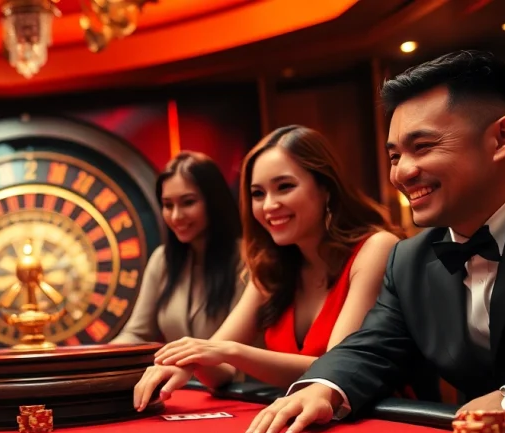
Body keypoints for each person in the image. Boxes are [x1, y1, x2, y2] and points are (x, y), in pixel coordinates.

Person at [245, 50, 505, 433]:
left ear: (502, 138)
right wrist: (322, 388)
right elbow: (372, 348)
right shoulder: (409, 258)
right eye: (395, 155)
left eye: (422, 147)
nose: (401, 173)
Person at [133, 126, 401, 410]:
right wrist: (186, 361)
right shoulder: (270, 266)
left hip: (382, 419)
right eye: (258, 194)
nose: (269, 205)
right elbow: (219, 370)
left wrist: (228, 351)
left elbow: (337, 370)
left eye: (285, 187)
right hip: (303, 420)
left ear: (326, 188)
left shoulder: (375, 249)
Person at [111, 152, 244, 344]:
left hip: (234, 373)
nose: (175, 216)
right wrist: (92, 362)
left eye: (188, 202)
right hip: (183, 373)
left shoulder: (246, 258)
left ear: (214, 201)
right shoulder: (162, 260)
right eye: (167, 205)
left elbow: (230, 349)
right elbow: (137, 334)